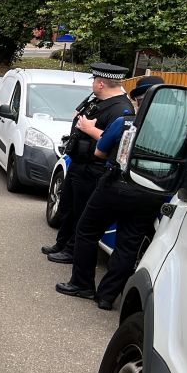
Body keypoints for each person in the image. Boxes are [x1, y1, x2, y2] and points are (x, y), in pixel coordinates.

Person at [55, 76, 170, 310]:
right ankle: (107, 297)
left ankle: (82, 285)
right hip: (152, 193)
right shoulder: (173, 132)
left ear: (138, 100)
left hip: (117, 187)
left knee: (86, 231)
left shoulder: (124, 122)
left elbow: (99, 152)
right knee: (128, 246)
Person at [41, 63, 133, 263]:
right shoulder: (99, 101)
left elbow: (118, 142)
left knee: (81, 212)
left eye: (94, 81)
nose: (92, 84)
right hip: (79, 163)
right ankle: (62, 243)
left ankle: (72, 250)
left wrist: (90, 130)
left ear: (101, 84)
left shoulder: (121, 109)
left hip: (94, 168)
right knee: (67, 207)